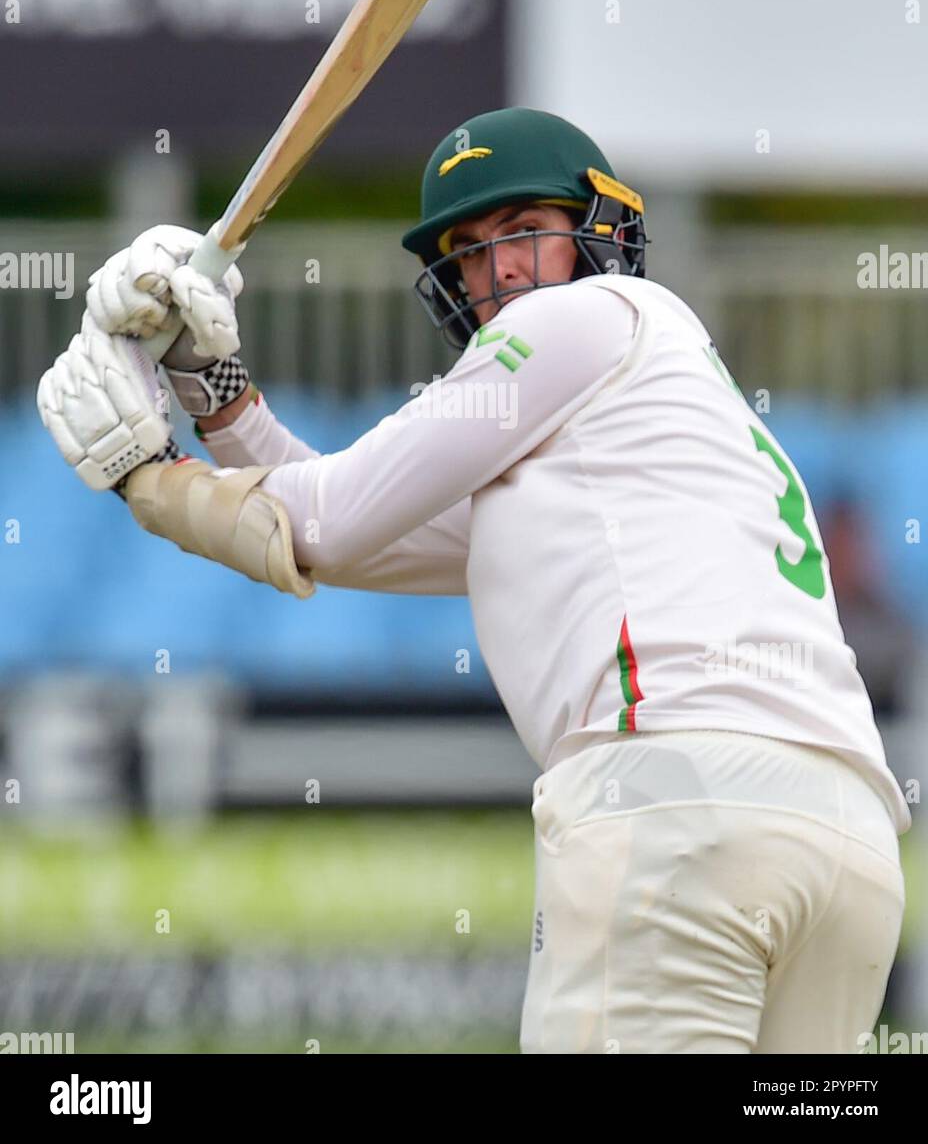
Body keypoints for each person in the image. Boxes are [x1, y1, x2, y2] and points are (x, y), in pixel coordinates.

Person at [38, 107, 910, 1053]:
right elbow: (334, 538)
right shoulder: (639, 426)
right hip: (851, 842)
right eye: (470, 250)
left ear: (599, 230)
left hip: (678, 805)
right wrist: (213, 385)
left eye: (525, 231)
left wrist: (149, 477)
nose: (499, 272)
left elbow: (324, 513)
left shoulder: (590, 317)